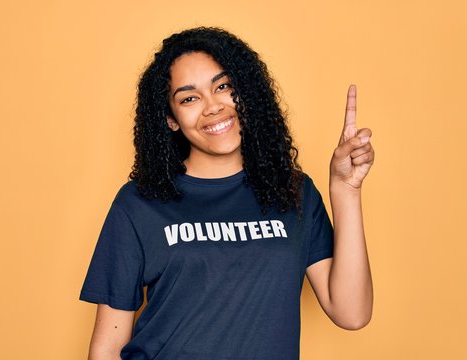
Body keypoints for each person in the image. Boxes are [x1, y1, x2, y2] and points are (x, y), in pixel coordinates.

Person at [79, 26, 374, 360]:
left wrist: (346, 191)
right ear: (171, 119)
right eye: (189, 98)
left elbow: (351, 313)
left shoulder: (292, 192)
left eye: (223, 87)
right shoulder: (140, 202)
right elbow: (107, 347)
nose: (212, 107)